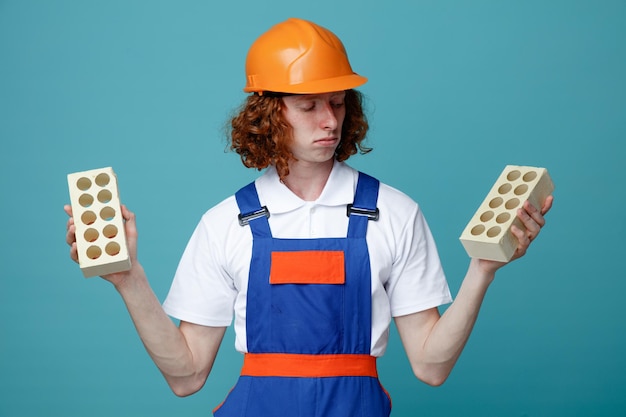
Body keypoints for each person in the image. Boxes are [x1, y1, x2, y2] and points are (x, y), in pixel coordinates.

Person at [64, 18, 553, 417]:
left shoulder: (394, 213)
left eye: (338, 102)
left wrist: (483, 269)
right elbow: (187, 375)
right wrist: (128, 278)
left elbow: (431, 366)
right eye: (308, 105)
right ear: (269, 114)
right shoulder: (226, 222)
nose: (330, 120)